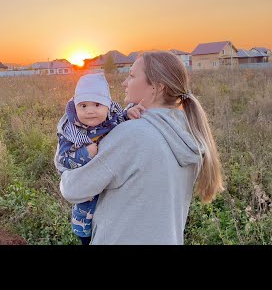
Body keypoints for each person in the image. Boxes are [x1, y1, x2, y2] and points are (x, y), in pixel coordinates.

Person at [56, 51, 224, 245]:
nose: (124, 82)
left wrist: (70, 161)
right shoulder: (188, 132)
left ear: (156, 87)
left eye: (132, 75)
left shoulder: (130, 135)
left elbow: (73, 189)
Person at [56, 73, 144, 245]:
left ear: (108, 106)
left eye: (97, 104)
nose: (90, 111)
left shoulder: (114, 119)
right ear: (75, 107)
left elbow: (121, 121)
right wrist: (84, 155)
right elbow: (62, 161)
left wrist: (129, 114)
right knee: (86, 235)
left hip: (112, 203)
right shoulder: (70, 132)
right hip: (85, 203)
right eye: (83, 106)